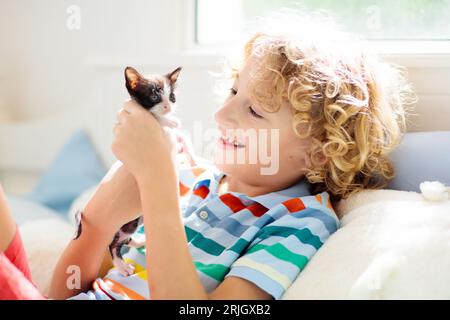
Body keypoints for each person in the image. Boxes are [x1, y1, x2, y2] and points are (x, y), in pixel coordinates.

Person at [0, 11, 413, 300]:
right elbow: (63, 292)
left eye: (254, 110)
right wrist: (99, 219)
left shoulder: (299, 221)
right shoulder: (194, 182)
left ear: (320, 154)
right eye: (234, 92)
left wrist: (158, 185)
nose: (219, 114)